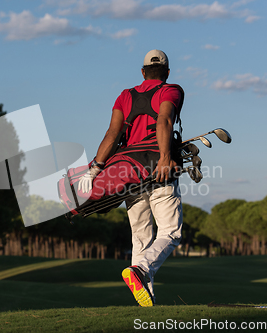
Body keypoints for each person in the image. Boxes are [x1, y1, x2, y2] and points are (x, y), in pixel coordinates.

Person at [78, 50, 184, 307]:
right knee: (171, 232)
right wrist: (164, 157)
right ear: (167, 73)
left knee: (141, 237)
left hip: (130, 176)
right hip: (159, 170)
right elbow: (165, 120)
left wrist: (94, 169)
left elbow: (113, 134)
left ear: (142, 71)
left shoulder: (125, 96)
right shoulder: (171, 90)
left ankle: (145, 301)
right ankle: (140, 270)